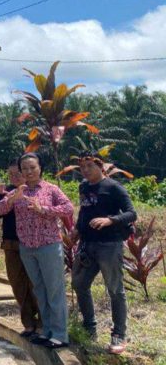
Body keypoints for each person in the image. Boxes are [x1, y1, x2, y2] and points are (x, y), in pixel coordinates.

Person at [0, 153, 73, 349]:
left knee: (54, 290)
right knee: (39, 289)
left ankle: (60, 334)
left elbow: (68, 208)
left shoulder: (50, 189)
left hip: (48, 246)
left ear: (40, 168)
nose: (28, 172)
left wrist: (44, 209)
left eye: (32, 167)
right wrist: (12, 199)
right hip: (27, 248)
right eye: (25, 168)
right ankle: (46, 331)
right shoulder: (18, 191)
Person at [71, 152, 137, 355]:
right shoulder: (84, 186)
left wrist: (110, 220)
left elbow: (132, 213)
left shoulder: (114, 187)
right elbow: (84, 211)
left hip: (109, 245)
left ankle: (119, 334)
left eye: (90, 166)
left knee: (115, 290)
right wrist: (77, 230)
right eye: (82, 167)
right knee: (79, 284)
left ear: (101, 166)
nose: (86, 170)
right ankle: (89, 326)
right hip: (87, 245)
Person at [0, 161, 41, 338]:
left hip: (32, 243)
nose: (14, 177)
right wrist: (3, 196)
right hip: (11, 244)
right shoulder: (5, 191)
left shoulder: (35, 190)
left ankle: (42, 322)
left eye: (17, 173)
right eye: (10, 174)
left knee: (35, 283)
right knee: (17, 284)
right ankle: (28, 322)